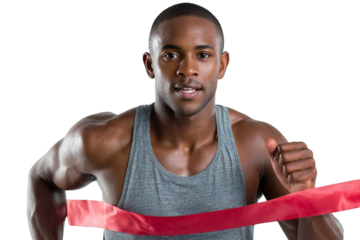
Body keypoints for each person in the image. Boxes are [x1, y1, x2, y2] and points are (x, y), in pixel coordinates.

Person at [26, 1, 344, 239]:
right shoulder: (104, 141)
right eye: (171, 55)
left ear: (222, 65)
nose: (187, 69)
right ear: (149, 65)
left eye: (203, 55)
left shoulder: (256, 144)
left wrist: (308, 197)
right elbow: (41, 177)